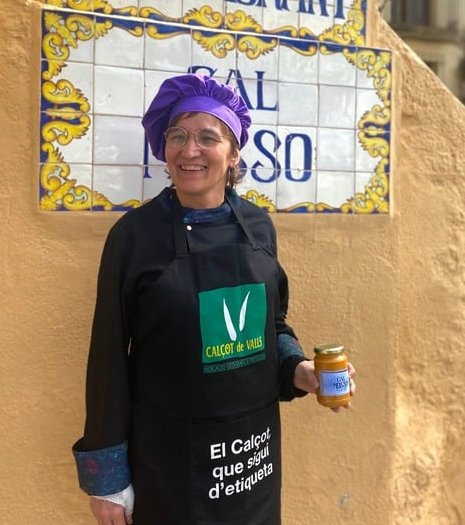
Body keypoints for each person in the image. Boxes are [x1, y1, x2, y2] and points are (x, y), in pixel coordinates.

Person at [73, 73, 355, 525]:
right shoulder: (133, 237)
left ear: (234, 153)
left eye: (208, 137)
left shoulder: (258, 226)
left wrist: (298, 369)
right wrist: (107, 480)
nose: (190, 150)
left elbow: (273, 326)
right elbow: (108, 360)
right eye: (177, 136)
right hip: (169, 461)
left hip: (252, 458)